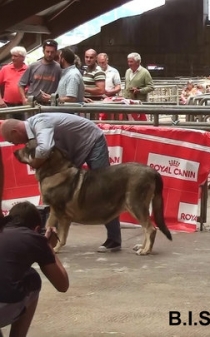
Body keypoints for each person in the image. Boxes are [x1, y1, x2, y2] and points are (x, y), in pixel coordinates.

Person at [0, 113, 122, 253]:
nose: (16, 145)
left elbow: (45, 149)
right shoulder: (32, 133)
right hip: (72, 151)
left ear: (15, 132)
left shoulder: (40, 123)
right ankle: (50, 239)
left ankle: (114, 240)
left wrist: (35, 163)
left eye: (12, 141)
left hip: (92, 141)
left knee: (104, 190)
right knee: (57, 199)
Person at [0, 201, 69, 337]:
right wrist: (48, 247)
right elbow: (63, 285)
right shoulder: (33, 238)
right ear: (37, 229)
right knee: (33, 278)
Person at [18, 39, 62, 108]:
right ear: (43, 51)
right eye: (47, 51)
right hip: (32, 104)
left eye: (52, 52)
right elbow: (21, 84)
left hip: (49, 106)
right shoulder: (33, 66)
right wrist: (24, 99)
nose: (49, 54)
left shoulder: (59, 68)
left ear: (56, 52)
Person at [0, 46, 28, 111]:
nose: (12, 58)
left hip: (23, 105)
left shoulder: (28, 70)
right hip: (7, 105)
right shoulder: (5, 69)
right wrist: (0, 100)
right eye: (12, 56)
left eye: (15, 56)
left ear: (23, 58)